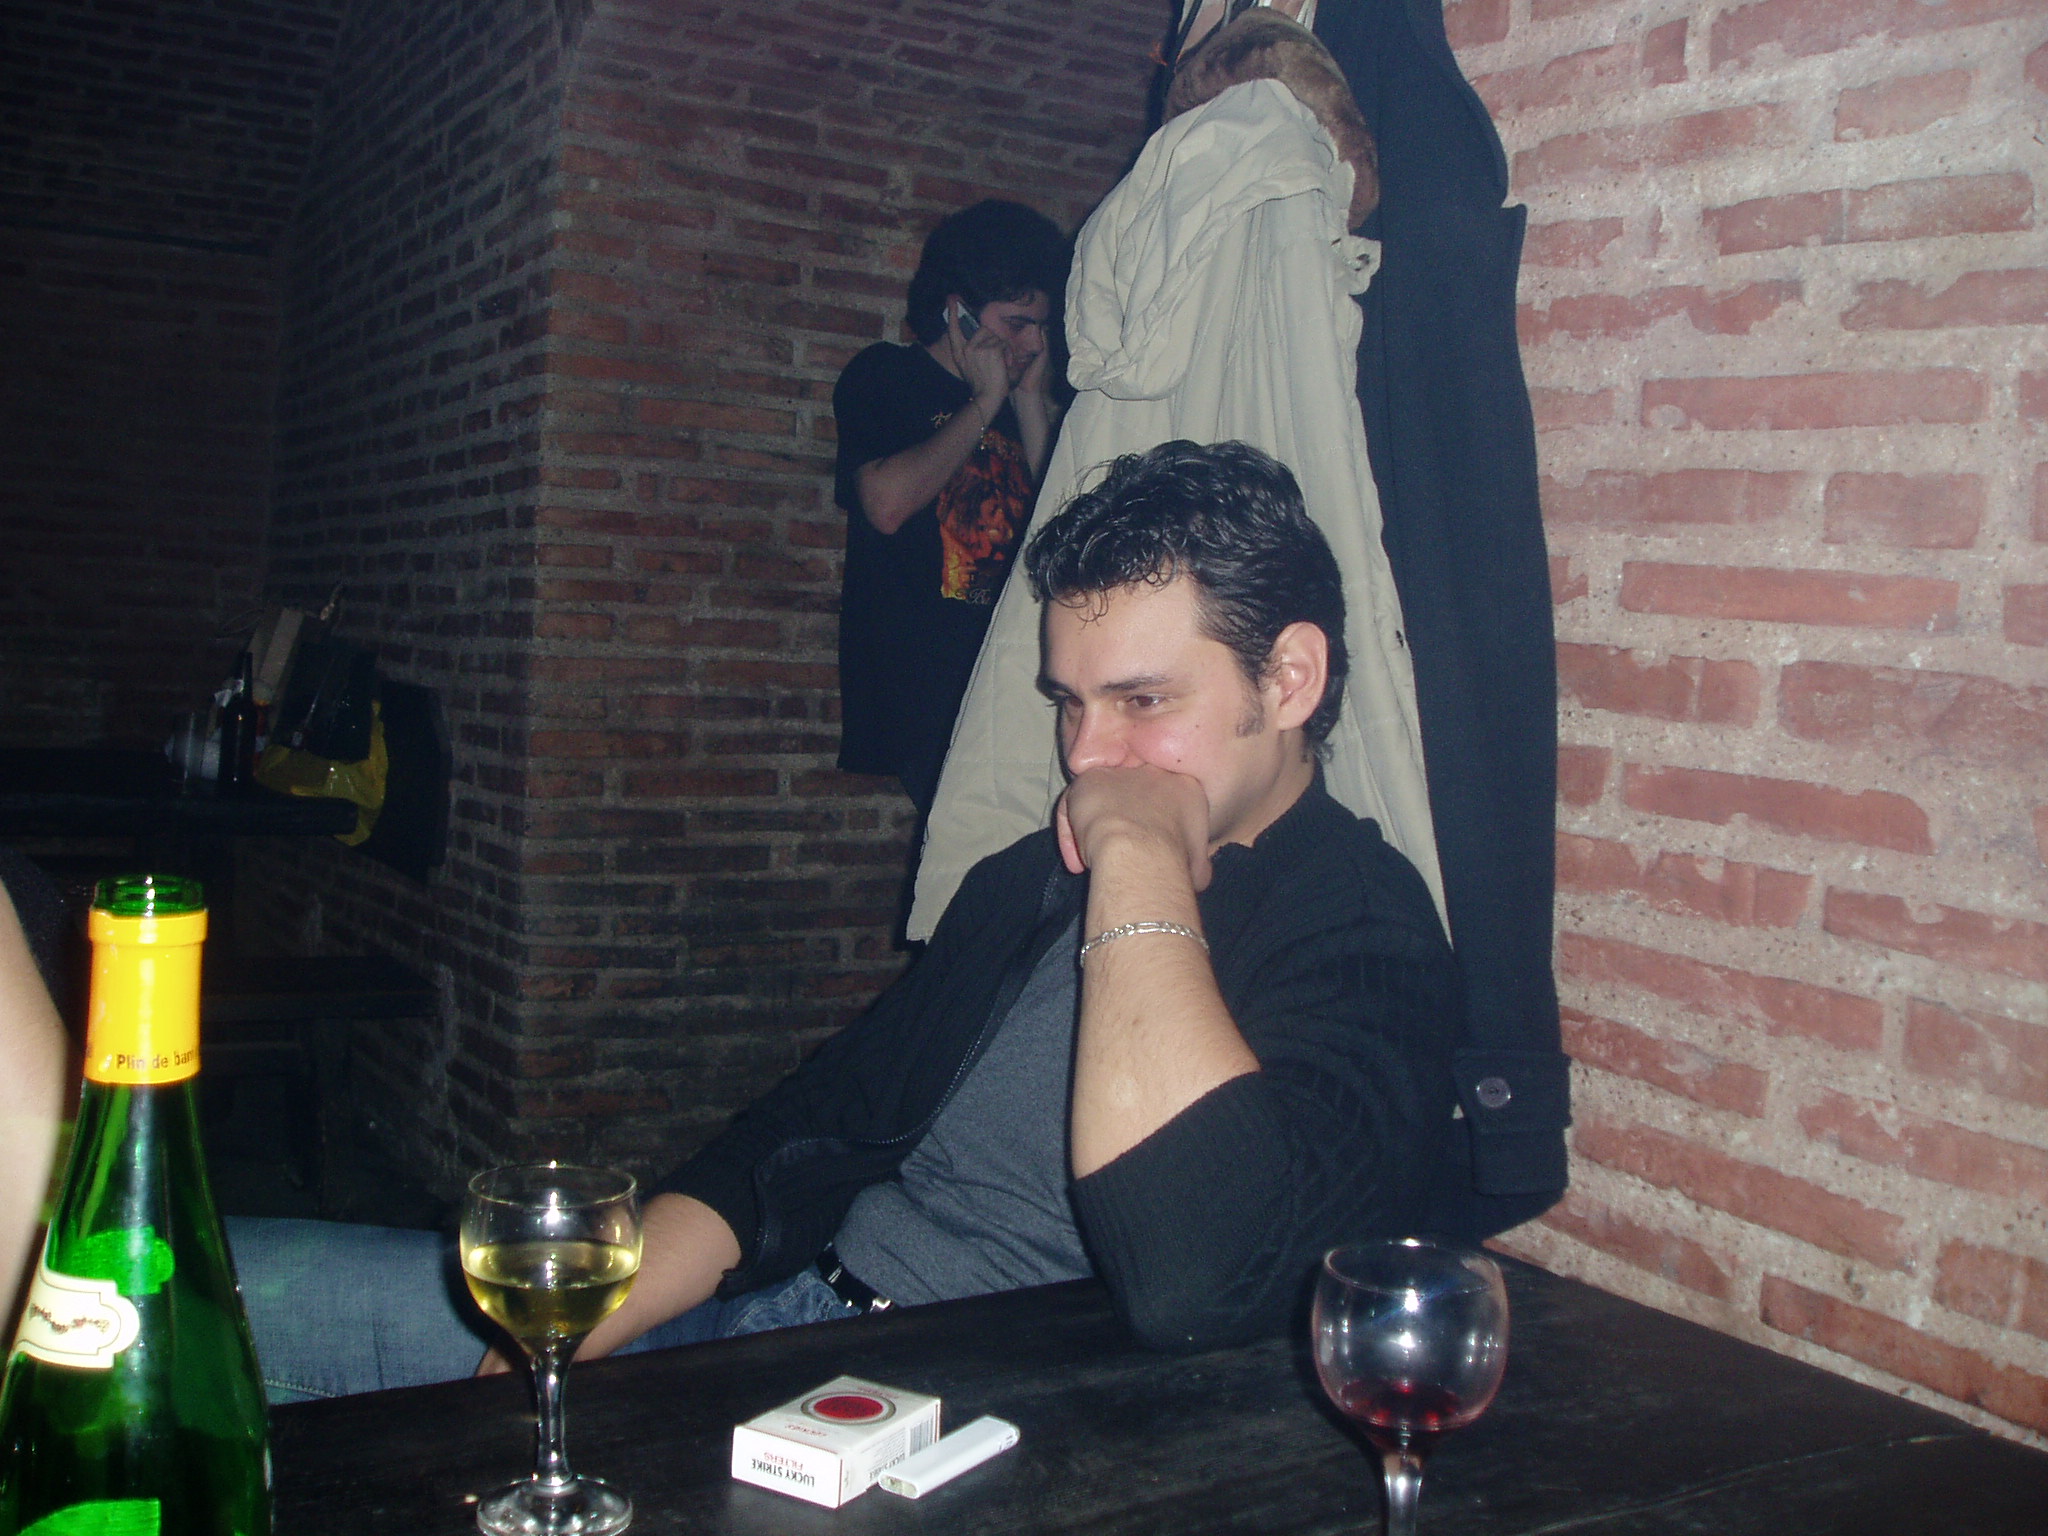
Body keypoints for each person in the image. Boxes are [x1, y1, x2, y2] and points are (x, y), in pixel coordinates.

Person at [229, 439, 1473, 1399]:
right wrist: (587, 1321)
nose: (1087, 758)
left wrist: (1142, 856)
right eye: (1068, 703)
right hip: (764, 1319)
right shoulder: (1027, 879)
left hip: (926, 1420)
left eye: (1141, 701)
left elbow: (1199, 1277)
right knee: (185, 1284)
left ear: (1288, 679)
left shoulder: (1365, 935)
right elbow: (811, 1121)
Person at [834, 198, 1070, 813]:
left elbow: (1066, 538)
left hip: (1020, 686)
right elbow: (886, 505)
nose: (1033, 343)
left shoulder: (1030, 405)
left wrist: (1027, 405)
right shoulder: (887, 375)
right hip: (927, 691)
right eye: (1016, 324)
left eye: (1041, 327)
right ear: (956, 311)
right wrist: (984, 403)